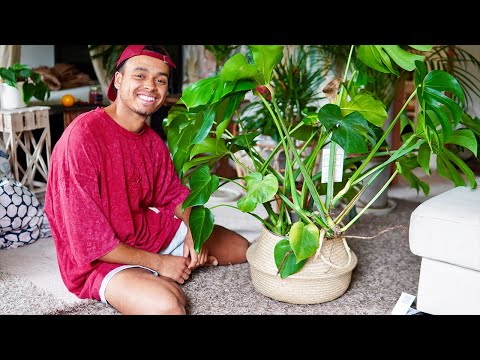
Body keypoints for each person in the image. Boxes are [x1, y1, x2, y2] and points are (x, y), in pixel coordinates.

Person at [44, 45, 249, 315]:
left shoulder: (151, 141)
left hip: (146, 234)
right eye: (140, 76)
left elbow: (174, 195)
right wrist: (161, 263)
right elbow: (90, 242)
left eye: (160, 79)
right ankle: (156, 275)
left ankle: (165, 269)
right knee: (168, 304)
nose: (151, 86)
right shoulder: (81, 138)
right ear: (118, 80)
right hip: (101, 259)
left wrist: (192, 232)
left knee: (242, 249)